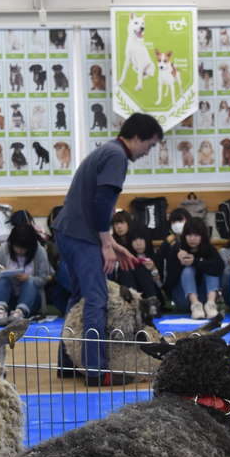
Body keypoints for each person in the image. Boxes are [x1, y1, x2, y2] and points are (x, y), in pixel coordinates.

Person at [52, 112, 162, 385]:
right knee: (96, 300)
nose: (148, 151)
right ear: (137, 138)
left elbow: (89, 203)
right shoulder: (116, 157)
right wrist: (106, 244)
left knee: (78, 298)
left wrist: (112, 243)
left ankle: (68, 363)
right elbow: (102, 203)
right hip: (82, 236)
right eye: (150, 145)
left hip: (69, 230)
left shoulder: (106, 151)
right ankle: (96, 370)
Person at [0, 223, 53, 324]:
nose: (20, 251)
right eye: (17, 247)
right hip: (8, 298)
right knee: (4, 279)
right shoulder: (2, 250)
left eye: (24, 248)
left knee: (30, 281)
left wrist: (28, 278)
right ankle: (0, 311)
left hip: (31, 300)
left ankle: (20, 312)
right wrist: (1, 274)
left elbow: (44, 278)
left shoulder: (40, 252)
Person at [162, 217, 224, 318]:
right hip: (184, 298)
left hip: (204, 295)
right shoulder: (177, 249)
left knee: (210, 268)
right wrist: (179, 263)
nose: (192, 239)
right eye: (189, 235)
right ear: (184, 236)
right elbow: (170, 280)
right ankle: (195, 305)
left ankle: (211, 304)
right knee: (188, 269)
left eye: (196, 235)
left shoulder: (209, 249)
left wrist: (196, 261)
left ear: (202, 236)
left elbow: (220, 267)